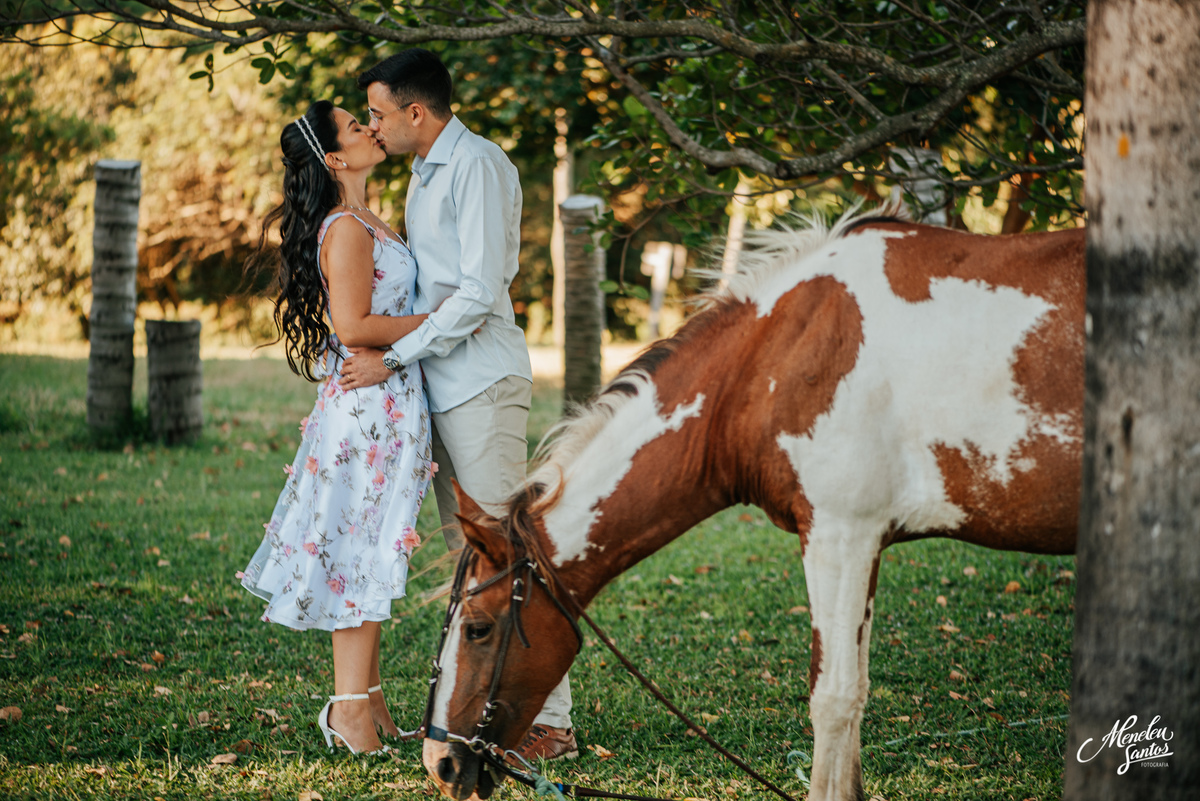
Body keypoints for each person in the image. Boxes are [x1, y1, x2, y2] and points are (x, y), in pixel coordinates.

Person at [337, 49, 578, 762]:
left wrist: (393, 357)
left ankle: (552, 722)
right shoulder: (422, 170)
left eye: (378, 114)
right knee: (470, 560)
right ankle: (486, 708)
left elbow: (478, 291)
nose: (373, 127)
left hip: (479, 383)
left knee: (508, 557)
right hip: (439, 388)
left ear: (417, 112)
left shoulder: (476, 164)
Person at [239, 100, 435, 755]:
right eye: (357, 127)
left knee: (374, 546)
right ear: (334, 158)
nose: (370, 129)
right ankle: (348, 710)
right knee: (359, 553)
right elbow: (352, 327)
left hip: (385, 408)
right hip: (365, 417)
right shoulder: (346, 227)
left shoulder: (366, 218)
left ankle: (370, 701)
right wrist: (444, 321)